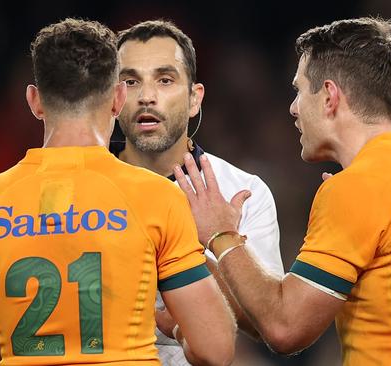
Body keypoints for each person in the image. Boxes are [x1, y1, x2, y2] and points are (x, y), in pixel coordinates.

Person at [172, 17, 391, 365]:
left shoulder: (358, 189)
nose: (294, 108)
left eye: (298, 90)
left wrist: (222, 233)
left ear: (329, 96)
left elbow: (285, 329)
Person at [0, 18, 236, 366]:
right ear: (118, 98)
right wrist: (177, 332)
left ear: (34, 101)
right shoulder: (157, 197)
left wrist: (8, 341)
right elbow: (215, 349)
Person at [113, 20, 284, 365]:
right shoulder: (83, 189)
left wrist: (216, 239)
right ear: (113, 99)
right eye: (131, 81)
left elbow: (268, 326)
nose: (147, 96)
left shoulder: (244, 191)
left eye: (165, 80)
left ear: (194, 99)